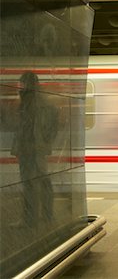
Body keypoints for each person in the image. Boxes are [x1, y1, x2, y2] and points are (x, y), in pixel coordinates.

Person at [11, 72, 57, 227]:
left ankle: (30, 219)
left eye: (21, 82)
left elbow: (24, 127)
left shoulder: (30, 100)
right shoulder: (41, 100)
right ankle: (46, 216)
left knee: (30, 184)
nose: (19, 86)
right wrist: (46, 141)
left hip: (30, 149)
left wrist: (27, 145)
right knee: (43, 182)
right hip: (36, 148)